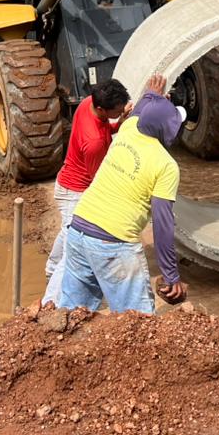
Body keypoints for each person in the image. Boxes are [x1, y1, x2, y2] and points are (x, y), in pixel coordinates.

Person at [58, 75, 189, 313]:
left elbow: (140, 110)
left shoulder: (128, 128)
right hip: (112, 244)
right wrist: (171, 276)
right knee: (136, 324)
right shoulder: (166, 166)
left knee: (70, 316)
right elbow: (162, 226)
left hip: (79, 229)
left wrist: (152, 94)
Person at [43, 78, 131, 306]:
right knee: (74, 249)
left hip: (65, 182)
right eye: (118, 110)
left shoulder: (87, 104)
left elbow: (106, 126)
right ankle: (51, 303)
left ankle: (50, 270)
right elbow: (98, 180)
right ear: (102, 109)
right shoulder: (95, 143)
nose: (121, 111)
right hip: (76, 192)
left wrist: (119, 121)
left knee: (66, 230)